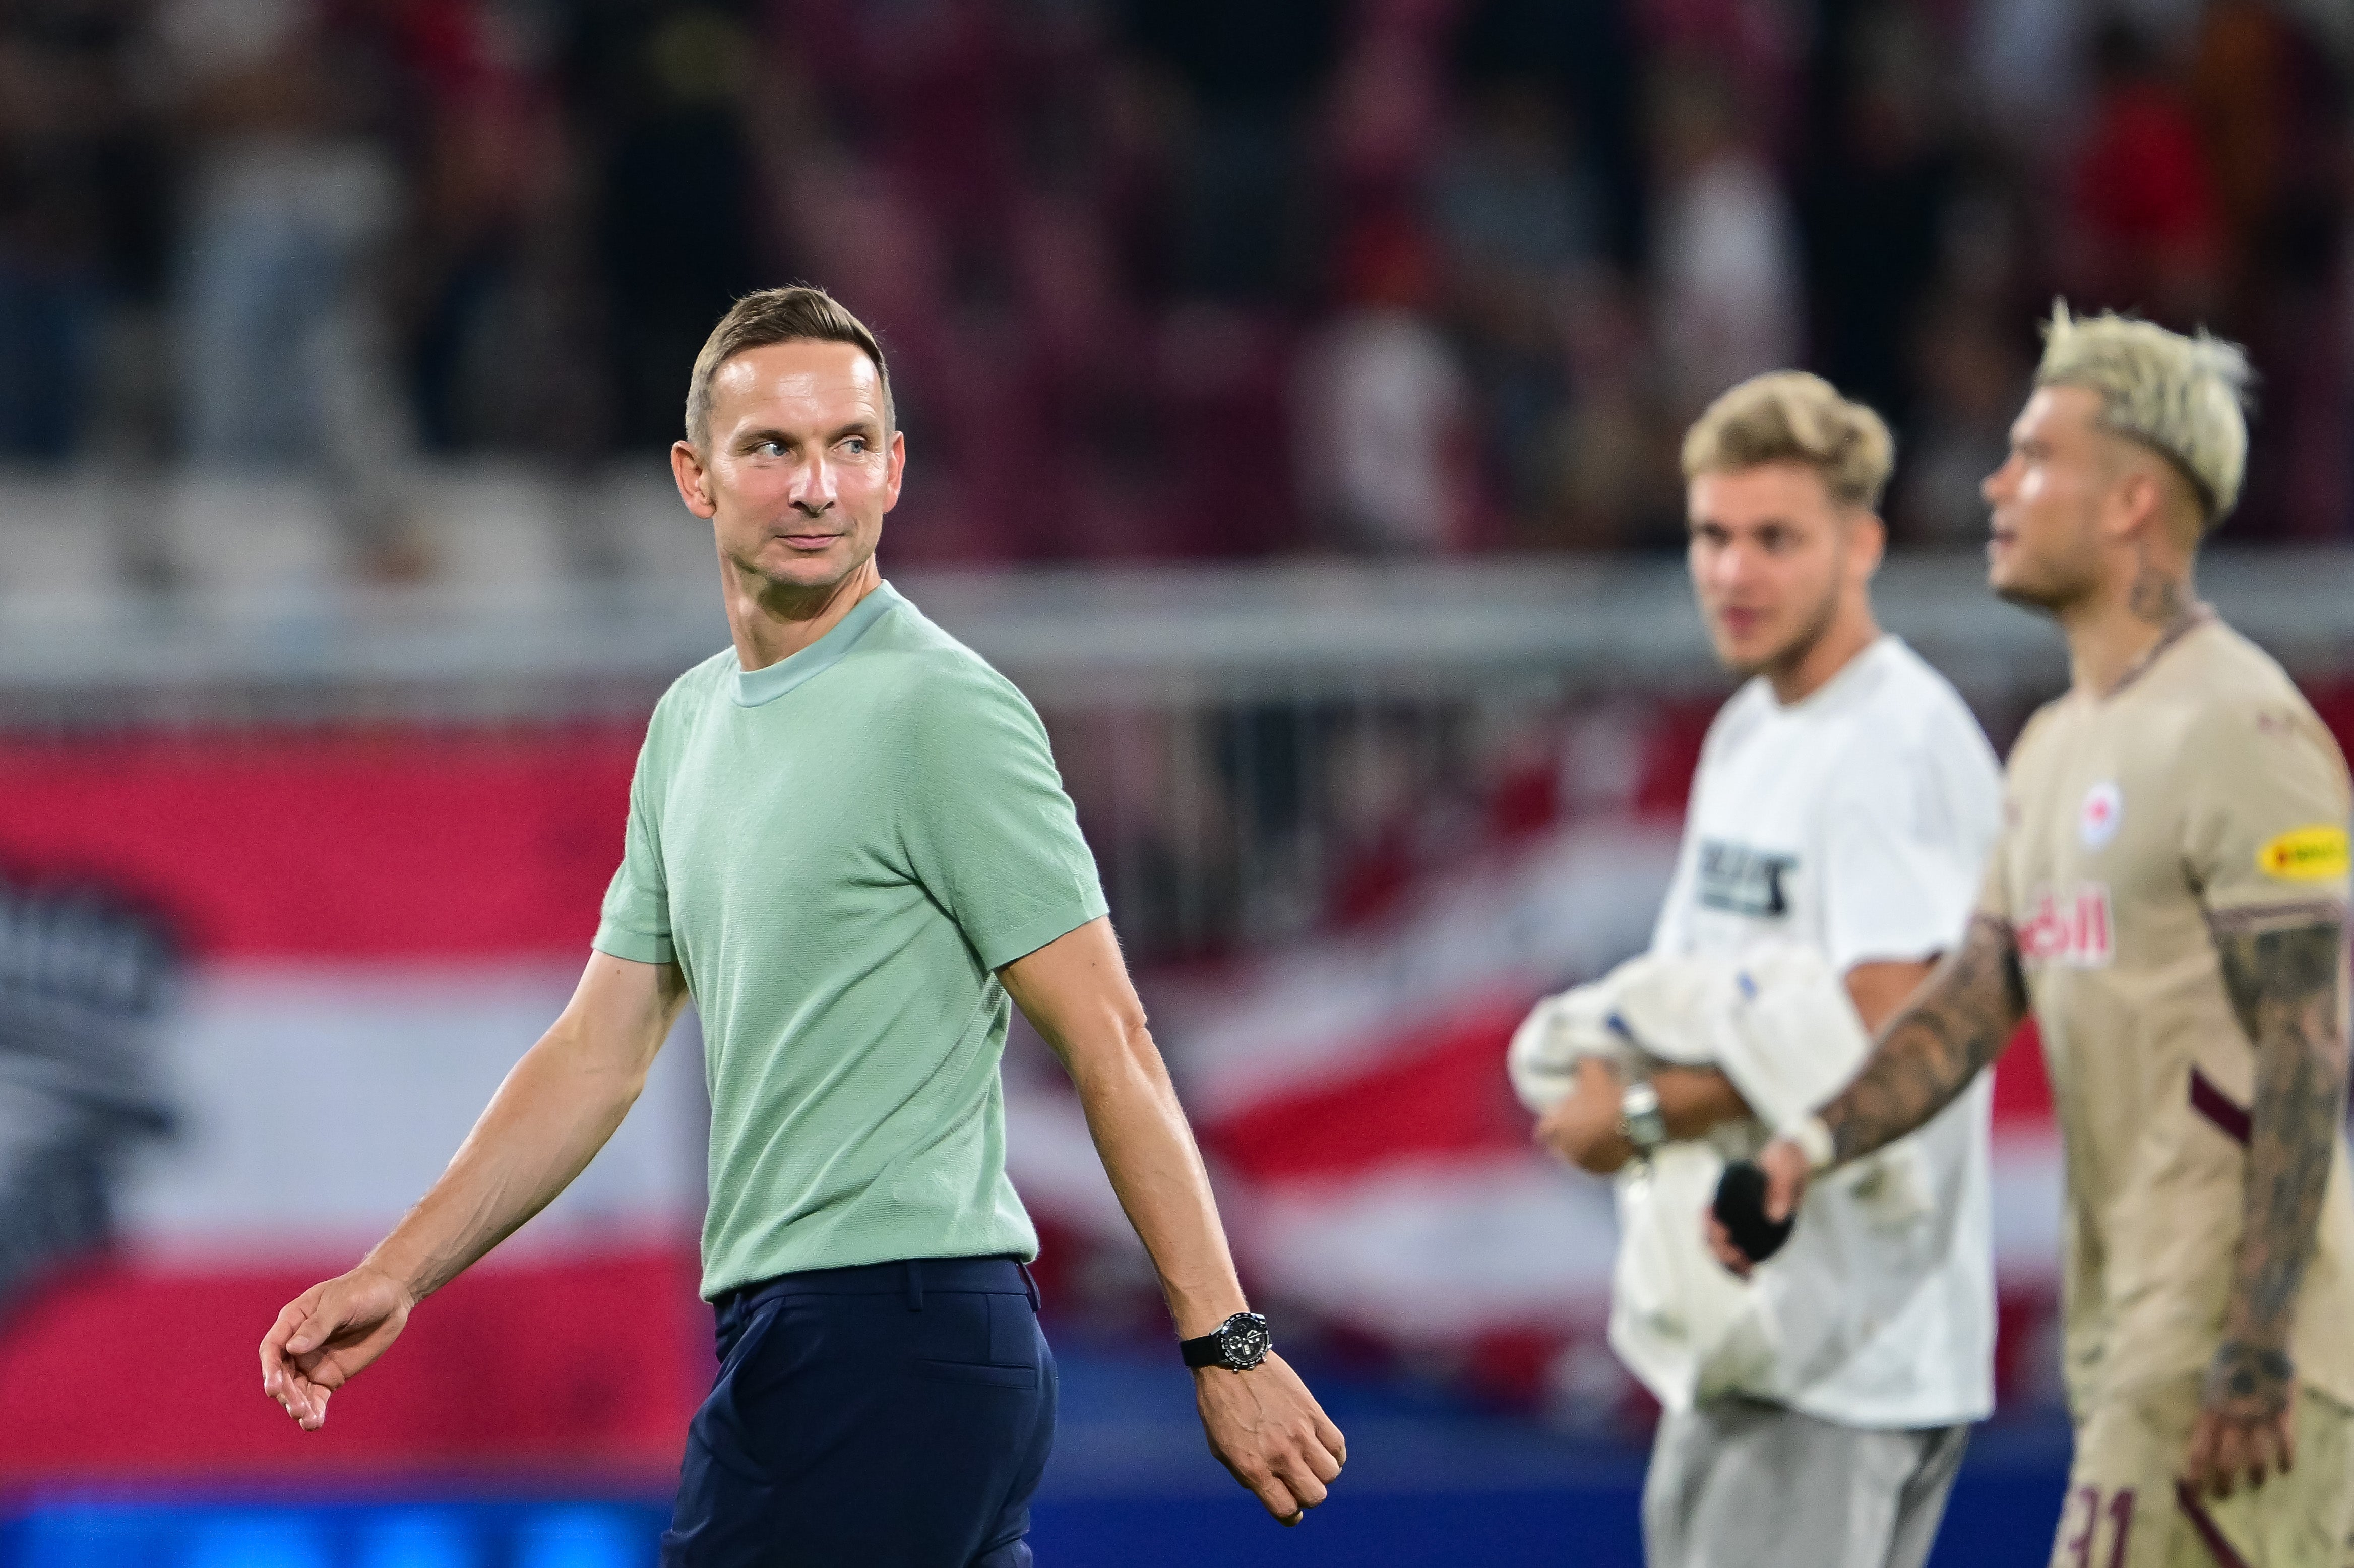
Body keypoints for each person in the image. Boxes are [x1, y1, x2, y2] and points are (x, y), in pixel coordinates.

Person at [258, 285, 1345, 1565]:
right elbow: (597, 1052)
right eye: (772, 446)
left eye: (848, 444)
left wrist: (1226, 1340)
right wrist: (401, 1269)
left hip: (898, 1332)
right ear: (695, 477)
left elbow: (1112, 1040)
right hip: (812, 1338)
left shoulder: (943, 711)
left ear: (893, 467)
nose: (816, 485)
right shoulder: (689, 727)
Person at [1729, 307, 2354, 1566]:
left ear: (2131, 501)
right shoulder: (2056, 746)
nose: (1995, 483)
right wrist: (1811, 1141)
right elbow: (1972, 999)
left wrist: (2255, 1346)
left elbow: (2307, 1042)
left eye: (2034, 456)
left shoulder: (2246, 729)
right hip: (2133, 1331)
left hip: (2238, 1351)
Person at [1532, 371, 2002, 1568]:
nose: (1733, 571)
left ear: (1863, 544)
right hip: (1761, 1330)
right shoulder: (1756, 728)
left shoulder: (1892, 743)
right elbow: (1705, 989)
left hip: (1843, 1347)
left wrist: (1640, 1114)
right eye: (1712, 535)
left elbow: (1893, 1033)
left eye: (1775, 538)